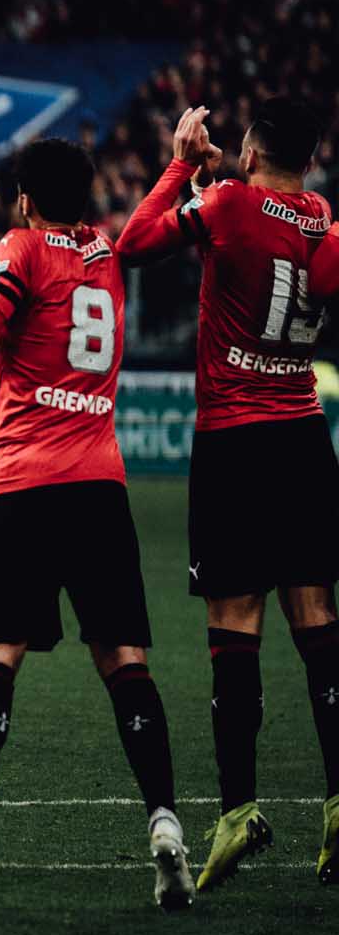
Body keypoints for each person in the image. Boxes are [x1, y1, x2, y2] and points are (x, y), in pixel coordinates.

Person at [0, 138, 191, 910]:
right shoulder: (107, 253)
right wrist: (179, 166)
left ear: (25, 200)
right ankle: (165, 820)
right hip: (100, 486)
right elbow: (147, 224)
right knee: (124, 658)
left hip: (25, 484)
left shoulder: (22, 247)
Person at [116, 101, 339, 889]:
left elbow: (134, 243)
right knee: (318, 620)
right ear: (307, 160)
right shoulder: (322, 216)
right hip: (304, 437)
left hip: (235, 442)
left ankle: (239, 811)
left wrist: (183, 163)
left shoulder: (228, 202)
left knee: (234, 627)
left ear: (248, 153)